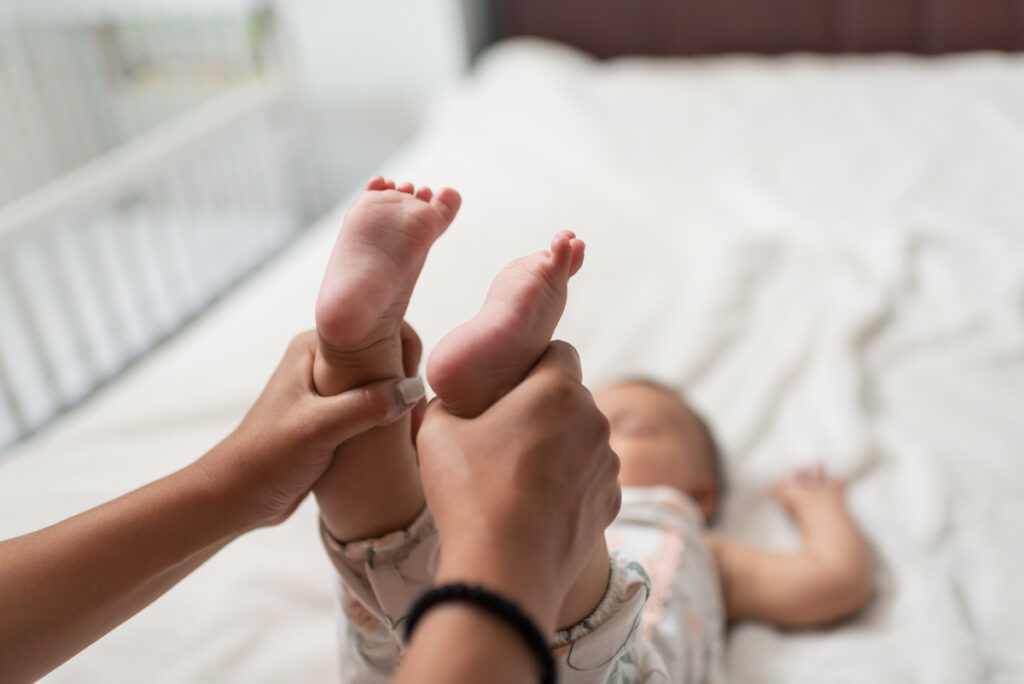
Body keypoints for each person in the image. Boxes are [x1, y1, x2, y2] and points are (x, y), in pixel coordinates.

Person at [311, 177, 874, 683]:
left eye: (624, 428)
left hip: (474, 652)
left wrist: (817, 504)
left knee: (412, 560)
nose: (589, 433)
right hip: (459, 631)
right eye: (587, 416)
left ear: (700, 494)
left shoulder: (705, 545)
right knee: (400, 540)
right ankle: (361, 353)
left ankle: (368, 358)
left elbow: (830, 583)